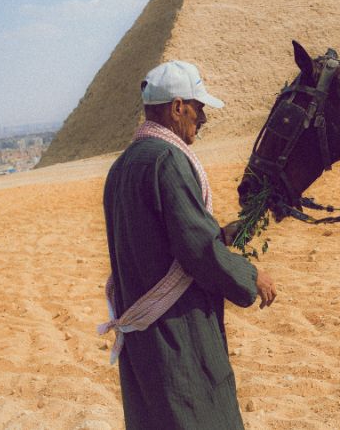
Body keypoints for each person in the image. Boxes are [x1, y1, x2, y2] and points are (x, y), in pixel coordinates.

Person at [99, 60, 277, 429]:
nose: (204, 118)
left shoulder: (122, 166)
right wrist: (251, 276)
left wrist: (221, 233)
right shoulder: (167, 159)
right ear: (177, 107)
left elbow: (158, 238)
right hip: (178, 334)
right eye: (199, 108)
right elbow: (199, 253)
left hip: (145, 343)